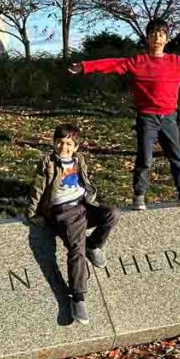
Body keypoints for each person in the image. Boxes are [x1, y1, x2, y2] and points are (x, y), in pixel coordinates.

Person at [69, 18, 180, 211]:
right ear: (147, 38)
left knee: (176, 156)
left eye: (161, 34)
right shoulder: (137, 62)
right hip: (147, 117)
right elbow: (111, 64)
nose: (157, 37)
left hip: (169, 117)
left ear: (167, 38)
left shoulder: (177, 62)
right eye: (153, 33)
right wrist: (85, 66)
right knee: (145, 158)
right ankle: (139, 196)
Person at [25, 123, 119, 325]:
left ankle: (94, 244)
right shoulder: (48, 163)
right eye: (59, 142)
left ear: (75, 147)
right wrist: (33, 213)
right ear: (54, 143)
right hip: (63, 212)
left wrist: (91, 198)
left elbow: (84, 181)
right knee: (76, 249)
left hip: (83, 205)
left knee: (112, 213)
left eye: (68, 144)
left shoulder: (78, 160)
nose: (63, 147)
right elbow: (38, 188)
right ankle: (78, 298)